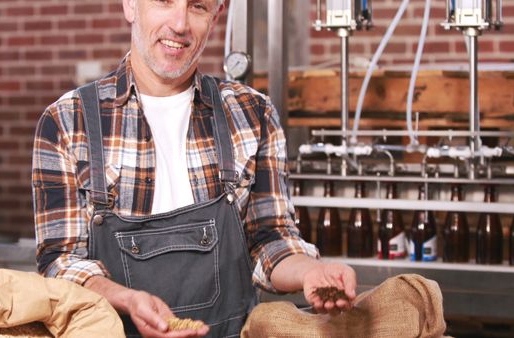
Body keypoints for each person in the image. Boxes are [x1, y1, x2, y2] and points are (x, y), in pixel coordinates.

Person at [32, 1, 357, 337]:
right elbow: (61, 264)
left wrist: (310, 272)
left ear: (216, 15)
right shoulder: (68, 121)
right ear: (130, 5)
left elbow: (270, 239)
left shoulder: (251, 114)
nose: (180, 23)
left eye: (198, 6)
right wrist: (127, 300)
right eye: (164, 1)